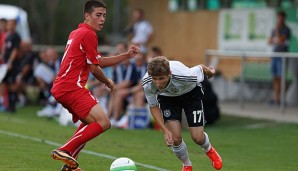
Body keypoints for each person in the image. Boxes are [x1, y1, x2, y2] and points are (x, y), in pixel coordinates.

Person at [49, 1, 140, 171]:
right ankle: (64, 149)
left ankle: (69, 167)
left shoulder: (77, 32)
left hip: (62, 87)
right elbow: (94, 68)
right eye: (98, 15)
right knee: (104, 122)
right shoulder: (88, 35)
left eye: (104, 15)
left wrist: (127, 55)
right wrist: (108, 82)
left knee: (89, 124)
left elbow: (99, 61)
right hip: (71, 87)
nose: (102, 19)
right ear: (87, 16)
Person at [141, 56, 222, 171]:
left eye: (161, 78)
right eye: (155, 78)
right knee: (175, 138)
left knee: (197, 138)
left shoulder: (185, 75)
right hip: (168, 99)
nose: (158, 83)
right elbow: (153, 106)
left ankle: (209, 150)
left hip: (191, 94)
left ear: (170, 73)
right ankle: (187, 165)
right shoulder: (147, 83)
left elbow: (200, 68)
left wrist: (211, 72)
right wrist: (164, 130)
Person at [268, 11, 291, 105]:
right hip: (275, 55)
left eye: (281, 18)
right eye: (279, 18)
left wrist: (277, 32)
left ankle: (283, 99)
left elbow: (282, 40)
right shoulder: (274, 29)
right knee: (275, 77)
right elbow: (269, 41)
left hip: (282, 56)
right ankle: (276, 99)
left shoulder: (286, 29)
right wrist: (275, 38)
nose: (280, 20)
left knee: (282, 78)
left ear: (284, 18)